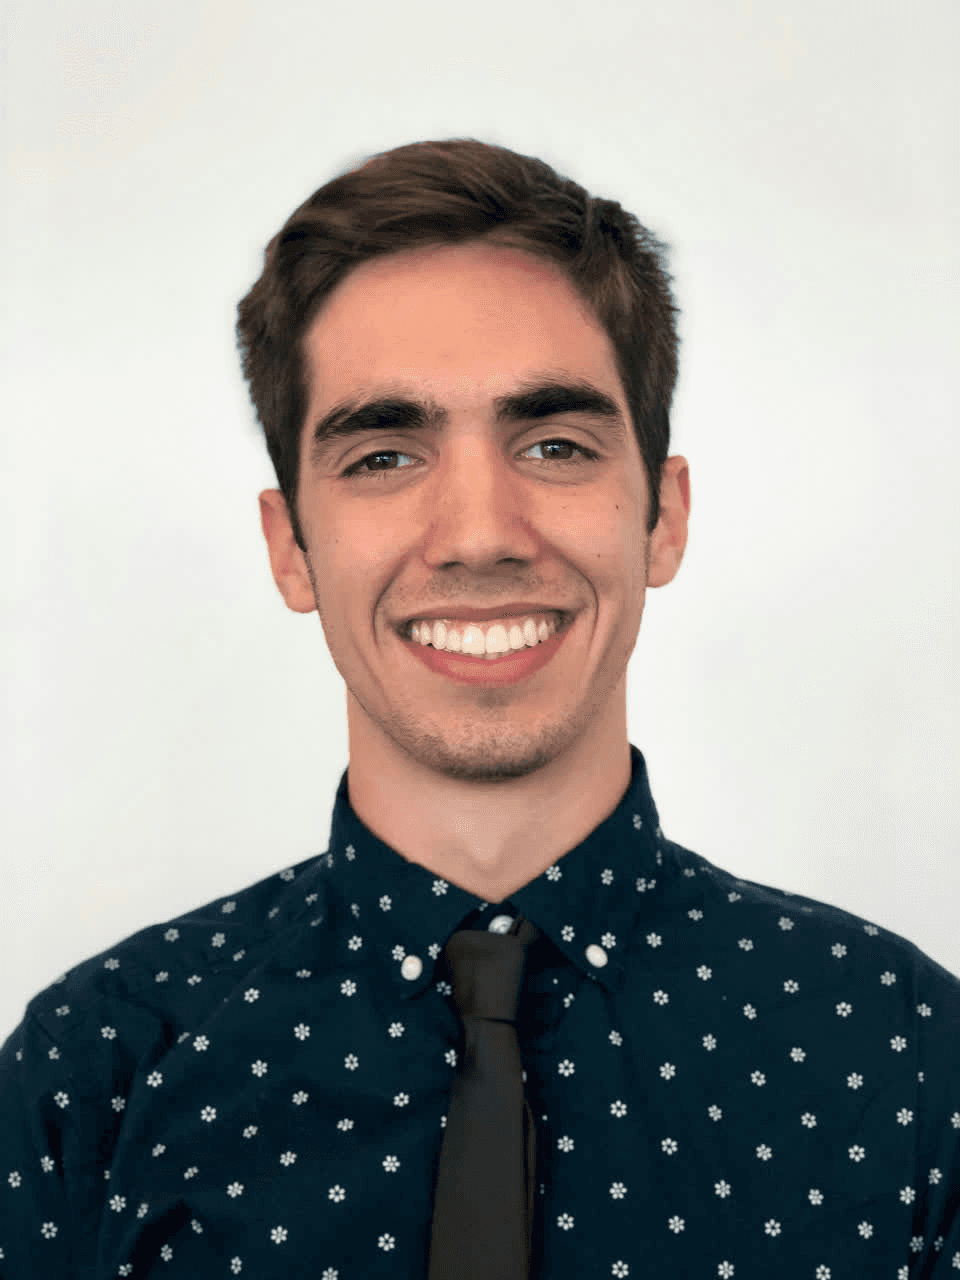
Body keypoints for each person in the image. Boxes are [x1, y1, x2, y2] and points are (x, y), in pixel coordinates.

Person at [1, 138, 957, 1279]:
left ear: (662, 518)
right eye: (384, 456)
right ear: (290, 546)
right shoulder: (90, 1077)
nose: (479, 534)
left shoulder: (907, 1056)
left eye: (554, 444)